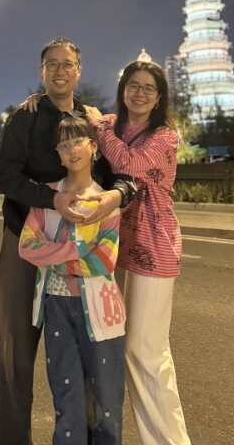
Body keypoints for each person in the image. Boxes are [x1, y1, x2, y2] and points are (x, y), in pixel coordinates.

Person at [0, 37, 135, 445]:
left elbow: (120, 175)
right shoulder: (25, 118)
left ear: (79, 71)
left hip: (87, 245)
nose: (60, 70)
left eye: (67, 64)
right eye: (52, 64)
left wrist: (116, 196)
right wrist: (53, 199)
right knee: (15, 352)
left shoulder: (93, 121)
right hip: (27, 238)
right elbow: (6, 178)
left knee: (89, 351)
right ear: (42, 72)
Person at [86, 51, 191, 445]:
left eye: (149, 89)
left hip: (154, 244)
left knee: (145, 351)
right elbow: (77, 119)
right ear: (122, 90)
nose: (140, 93)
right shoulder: (110, 125)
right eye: (133, 86)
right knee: (132, 349)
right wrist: (36, 102)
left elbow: (128, 163)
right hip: (116, 245)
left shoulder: (164, 136)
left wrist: (99, 125)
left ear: (160, 97)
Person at [18, 114, 126, 444]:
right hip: (56, 308)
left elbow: (105, 260)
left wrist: (55, 254)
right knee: (66, 396)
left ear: (93, 147)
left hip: (101, 309)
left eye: (77, 141)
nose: (71, 150)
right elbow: (26, 246)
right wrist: (77, 248)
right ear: (58, 154)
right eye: (63, 145)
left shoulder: (107, 200)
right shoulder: (48, 198)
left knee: (107, 401)